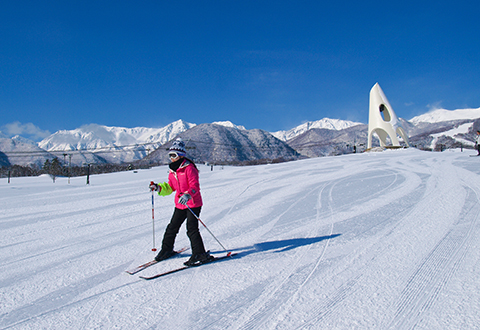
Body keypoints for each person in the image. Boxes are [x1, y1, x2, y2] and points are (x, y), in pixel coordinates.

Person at [149, 138, 214, 266]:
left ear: (181, 155)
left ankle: (199, 253)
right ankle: (166, 250)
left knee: (191, 229)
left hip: (193, 203)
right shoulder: (172, 171)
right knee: (172, 227)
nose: (171, 158)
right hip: (180, 204)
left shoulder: (189, 168)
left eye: (174, 155)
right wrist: (158, 188)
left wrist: (188, 195)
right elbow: (171, 187)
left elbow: (195, 186)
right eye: (170, 155)